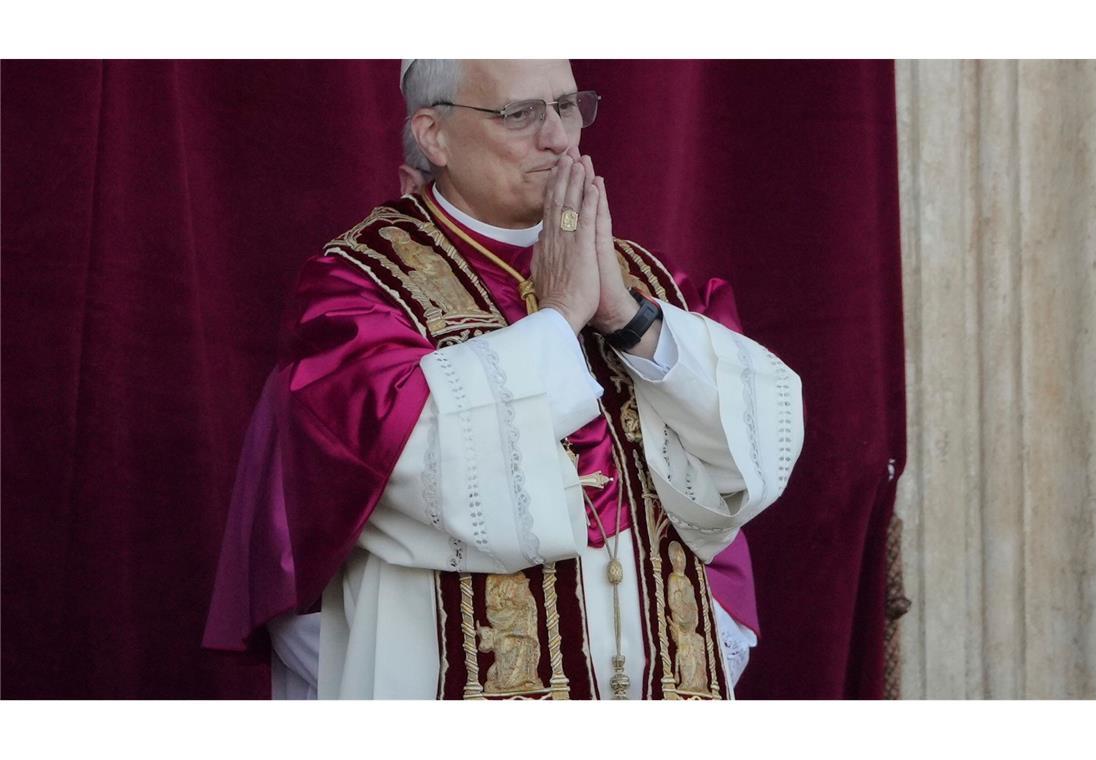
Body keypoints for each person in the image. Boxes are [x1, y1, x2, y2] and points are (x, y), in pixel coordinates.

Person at [204, 59, 803, 700]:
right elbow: (405, 462)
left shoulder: (644, 281)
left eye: (568, 105)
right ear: (434, 135)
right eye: (521, 114)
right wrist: (558, 322)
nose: (560, 138)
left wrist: (625, 320)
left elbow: (756, 450)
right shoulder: (361, 285)